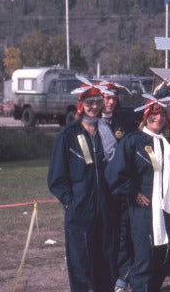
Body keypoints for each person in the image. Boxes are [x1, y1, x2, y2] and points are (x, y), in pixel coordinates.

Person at [97, 79, 170, 292]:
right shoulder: (134, 141)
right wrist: (133, 192)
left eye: (161, 114)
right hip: (144, 211)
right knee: (144, 260)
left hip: (167, 210)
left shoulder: (168, 144)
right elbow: (114, 173)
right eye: (153, 114)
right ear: (145, 117)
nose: (157, 117)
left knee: (164, 259)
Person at [47, 77, 118, 292]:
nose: (94, 107)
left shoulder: (105, 133)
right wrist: (71, 202)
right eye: (89, 103)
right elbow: (56, 178)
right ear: (81, 105)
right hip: (80, 211)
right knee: (80, 263)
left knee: (105, 261)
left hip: (105, 209)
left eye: (97, 102)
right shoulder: (68, 135)